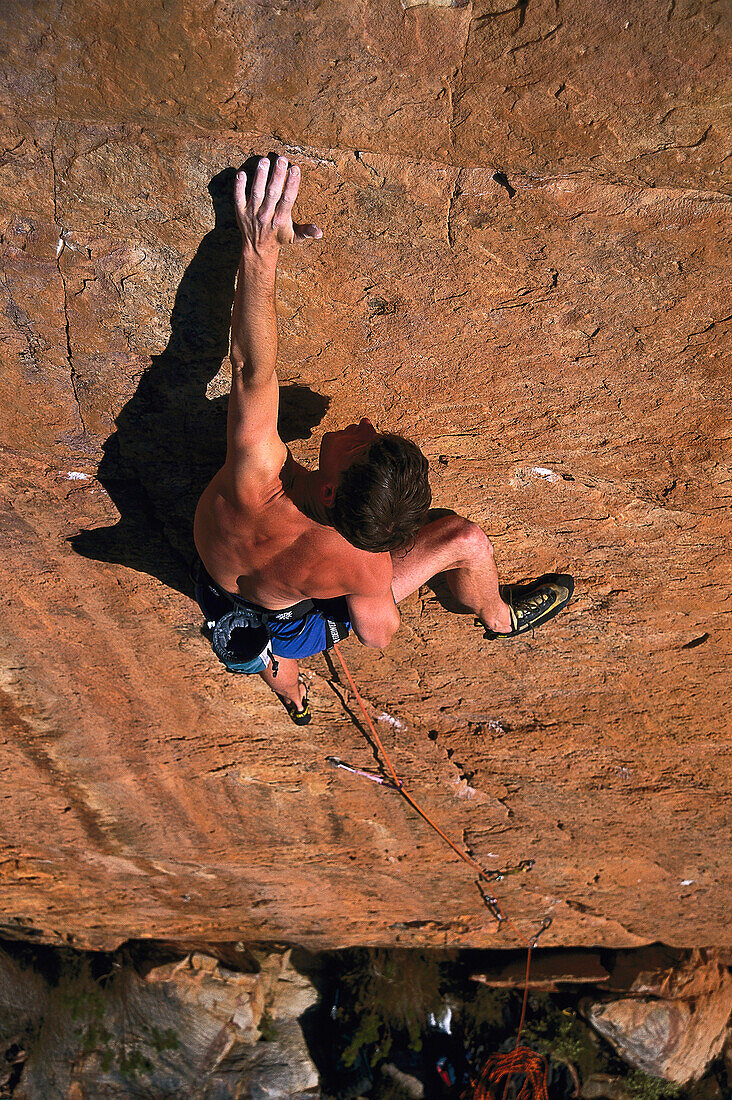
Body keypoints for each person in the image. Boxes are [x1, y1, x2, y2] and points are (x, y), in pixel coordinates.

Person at [193, 156, 573, 723]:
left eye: (360, 445)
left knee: (461, 541)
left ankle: (493, 620)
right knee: (459, 540)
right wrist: (348, 585)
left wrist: (258, 250)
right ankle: (492, 619)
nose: (362, 427)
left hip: (216, 582)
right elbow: (377, 632)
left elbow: (252, 371)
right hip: (286, 608)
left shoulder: (255, 477)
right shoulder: (359, 563)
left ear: (328, 494)